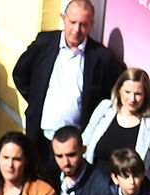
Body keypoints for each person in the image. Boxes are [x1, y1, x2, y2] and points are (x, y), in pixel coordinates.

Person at [12, 0, 124, 146]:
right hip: (40, 137)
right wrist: (36, 100)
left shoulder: (102, 58)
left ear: (92, 25)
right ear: (63, 18)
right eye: (72, 22)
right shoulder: (44, 43)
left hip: (76, 144)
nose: (76, 29)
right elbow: (20, 73)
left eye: (83, 24)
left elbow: (111, 98)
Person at [83, 68, 150, 164]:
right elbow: (85, 141)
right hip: (95, 176)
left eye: (138, 94)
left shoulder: (147, 125)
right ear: (119, 90)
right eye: (127, 92)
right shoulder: (105, 108)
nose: (132, 99)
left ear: (146, 95)